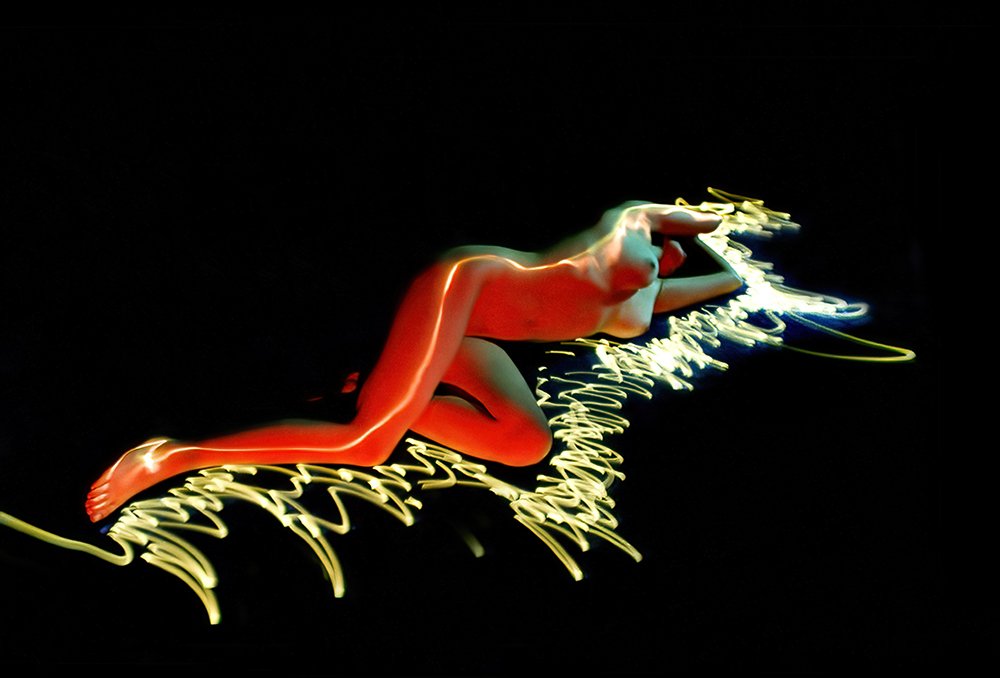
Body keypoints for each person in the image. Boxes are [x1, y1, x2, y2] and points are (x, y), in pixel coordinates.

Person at [85, 201, 742, 522]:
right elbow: (677, 216)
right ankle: (173, 456)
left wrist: (736, 277)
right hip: (463, 286)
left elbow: (723, 283)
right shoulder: (629, 234)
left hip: (472, 338)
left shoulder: (644, 296)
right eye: (667, 252)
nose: (670, 260)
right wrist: (713, 225)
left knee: (525, 442)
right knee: (368, 445)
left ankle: (378, 390)